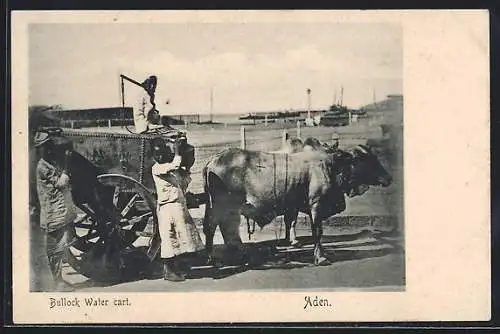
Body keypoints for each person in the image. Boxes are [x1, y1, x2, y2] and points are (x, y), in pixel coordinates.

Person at [151, 138, 204, 282]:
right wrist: (177, 151)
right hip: (167, 208)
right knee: (169, 238)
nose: (159, 156)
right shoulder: (157, 168)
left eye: (161, 153)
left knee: (183, 236)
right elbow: (175, 165)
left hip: (179, 206)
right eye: (156, 154)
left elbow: (183, 180)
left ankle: (179, 267)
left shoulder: (171, 169)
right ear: (153, 156)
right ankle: (168, 271)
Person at [34, 132, 77, 291]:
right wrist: (67, 164)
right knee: (54, 249)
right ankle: (57, 283)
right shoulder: (43, 167)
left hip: (58, 212)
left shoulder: (48, 163)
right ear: (41, 149)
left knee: (62, 244)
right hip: (53, 214)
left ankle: (58, 281)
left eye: (49, 145)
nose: (48, 149)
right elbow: (61, 183)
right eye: (45, 147)